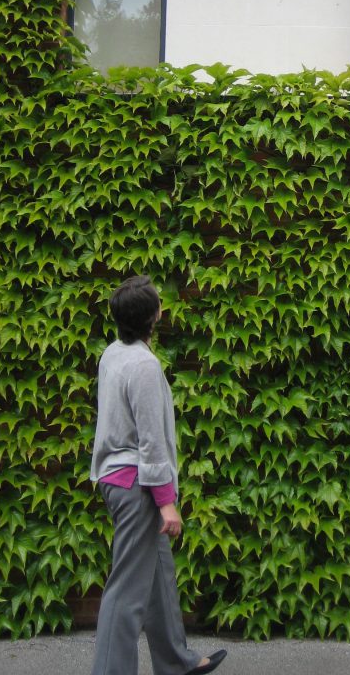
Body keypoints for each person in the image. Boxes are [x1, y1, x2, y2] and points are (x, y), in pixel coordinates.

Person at [89, 275, 227, 675]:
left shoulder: (112, 353)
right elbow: (150, 442)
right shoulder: (144, 367)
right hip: (136, 486)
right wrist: (166, 503)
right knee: (127, 592)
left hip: (118, 480)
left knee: (158, 576)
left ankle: (176, 661)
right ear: (154, 318)